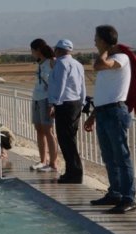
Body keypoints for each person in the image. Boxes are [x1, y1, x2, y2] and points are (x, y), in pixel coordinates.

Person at [84, 25, 136, 214]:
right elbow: (104, 93)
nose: (94, 42)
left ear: (105, 41)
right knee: (108, 156)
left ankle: (129, 197)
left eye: (97, 38)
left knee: (121, 157)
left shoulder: (120, 58)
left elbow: (98, 65)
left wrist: (105, 51)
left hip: (116, 113)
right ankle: (114, 193)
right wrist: (92, 116)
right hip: (103, 111)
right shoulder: (108, 59)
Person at [48, 39, 86, 184]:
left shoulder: (61, 64)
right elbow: (82, 85)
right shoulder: (77, 64)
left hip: (64, 104)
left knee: (65, 139)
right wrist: (82, 102)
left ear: (58, 50)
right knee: (70, 138)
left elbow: (60, 85)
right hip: (75, 103)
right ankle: (72, 171)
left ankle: (75, 173)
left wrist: (53, 103)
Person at [29, 39, 58, 173]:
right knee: (39, 129)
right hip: (36, 98)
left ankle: (53, 163)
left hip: (46, 99)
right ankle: (42, 160)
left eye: (32, 50)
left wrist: (52, 103)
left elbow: (54, 83)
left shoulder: (52, 63)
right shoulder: (40, 64)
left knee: (48, 131)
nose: (32, 53)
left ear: (38, 50)